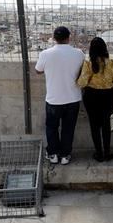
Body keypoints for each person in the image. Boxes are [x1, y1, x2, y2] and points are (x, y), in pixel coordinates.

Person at [35, 26, 85, 165]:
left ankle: (53, 154)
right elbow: (82, 70)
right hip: (73, 98)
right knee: (68, 128)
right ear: (69, 37)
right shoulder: (78, 53)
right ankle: (65, 155)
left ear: (54, 38)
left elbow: (38, 71)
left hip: (54, 99)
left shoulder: (46, 54)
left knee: (51, 127)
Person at [77, 37, 113, 162]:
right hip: (107, 96)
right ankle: (107, 153)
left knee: (94, 126)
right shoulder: (111, 63)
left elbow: (82, 83)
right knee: (106, 125)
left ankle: (99, 153)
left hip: (91, 97)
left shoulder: (88, 64)